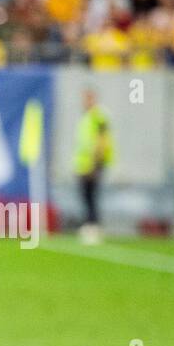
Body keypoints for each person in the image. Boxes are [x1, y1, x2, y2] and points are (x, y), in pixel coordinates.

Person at [74, 88, 114, 245]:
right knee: (86, 196)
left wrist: (96, 164)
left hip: (93, 164)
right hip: (84, 164)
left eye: (87, 98)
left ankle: (94, 228)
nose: (85, 102)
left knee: (91, 196)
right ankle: (90, 226)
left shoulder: (98, 117)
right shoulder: (87, 117)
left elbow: (101, 140)